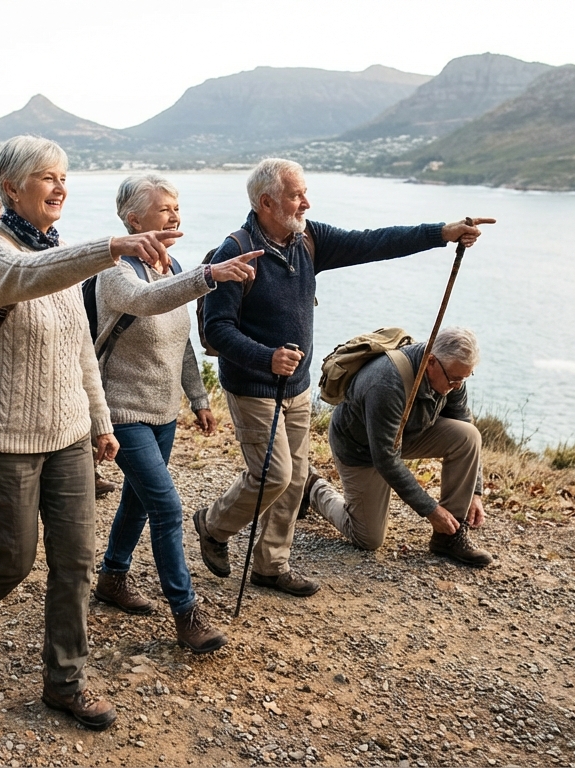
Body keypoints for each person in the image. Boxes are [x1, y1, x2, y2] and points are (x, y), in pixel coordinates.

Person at [0, 136, 177, 731]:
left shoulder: (64, 250)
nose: (60, 186)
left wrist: (99, 422)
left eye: (64, 176)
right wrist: (114, 247)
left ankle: (64, 682)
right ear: (11, 189)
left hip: (68, 431)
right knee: (10, 560)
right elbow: (28, 274)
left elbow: (80, 348)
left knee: (76, 564)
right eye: (47, 176)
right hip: (3, 435)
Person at [194, 157, 492, 598]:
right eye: (297, 196)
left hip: (296, 388)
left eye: (304, 193)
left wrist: (441, 235)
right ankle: (213, 525)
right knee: (274, 476)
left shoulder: (307, 241)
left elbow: (373, 242)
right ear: (266, 202)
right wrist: (265, 357)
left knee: (295, 478)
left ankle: (270, 567)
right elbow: (216, 328)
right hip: (253, 387)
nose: (306, 203)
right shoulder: (235, 252)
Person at [93, 174, 259, 653]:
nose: (174, 215)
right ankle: (186, 614)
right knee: (167, 506)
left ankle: (112, 578)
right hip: (123, 410)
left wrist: (199, 398)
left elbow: (181, 338)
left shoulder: (173, 268)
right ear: (133, 219)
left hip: (164, 412)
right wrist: (209, 276)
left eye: (176, 207)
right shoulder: (115, 273)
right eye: (164, 208)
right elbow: (147, 302)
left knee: (140, 500)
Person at [303, 327, 492, 567]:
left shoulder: (450, 373)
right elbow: (385, 457)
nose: (457, 386)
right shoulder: (386, 383)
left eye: (464, 379)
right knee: (368, 538)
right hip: (362, 448)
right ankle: (310, 486)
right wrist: (431, 511)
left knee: (468, 435)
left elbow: (463, 420)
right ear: (431, 361)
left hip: (409, 433)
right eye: (454, 380)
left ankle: (449, 537)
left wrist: (474, 492)